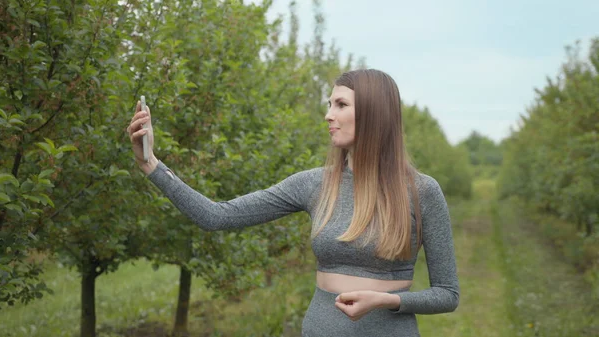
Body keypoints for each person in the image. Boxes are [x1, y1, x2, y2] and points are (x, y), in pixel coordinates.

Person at [127, 69, 459, 336]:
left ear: (374, 113)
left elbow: (447, 294)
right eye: (329, 105)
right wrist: (153, 166)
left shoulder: (421, 192)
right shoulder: (314, 183)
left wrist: (387, 301)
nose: (328, 115)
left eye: (341, 105)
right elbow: (217, 216)